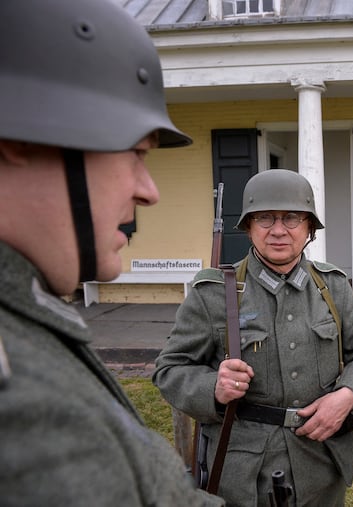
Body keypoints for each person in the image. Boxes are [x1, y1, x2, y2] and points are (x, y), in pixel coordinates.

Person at [0, 1, 224, 506]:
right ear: (20, 136)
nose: (149, 191)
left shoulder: (28, 318)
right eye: (137, 152)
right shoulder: (21, 409)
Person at [153, 169, 353, 507]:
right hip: (243, 471)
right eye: (265, 218)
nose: (278, 230)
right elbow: (170, 370)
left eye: (292, 218)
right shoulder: (213, 294)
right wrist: (213, 389)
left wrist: (348, 395)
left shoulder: (333, 287)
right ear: (248, 227)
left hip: (320, 460)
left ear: (309, 228)